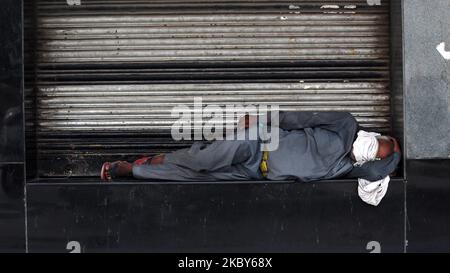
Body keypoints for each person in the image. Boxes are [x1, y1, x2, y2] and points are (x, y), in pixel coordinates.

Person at [100, 111, 401, 183]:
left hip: (255, 173)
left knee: (196, 177)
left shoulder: (346, 168)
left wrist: (394, 153)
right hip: (258, 142)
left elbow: (378, 171)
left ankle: (140, 170)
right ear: (373, 134)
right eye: (375, 144)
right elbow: (299, 118)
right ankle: (132, 166)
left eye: (374, 154)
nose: (370, 150)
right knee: (200, 160)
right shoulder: (345, 125)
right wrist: (260, 117)